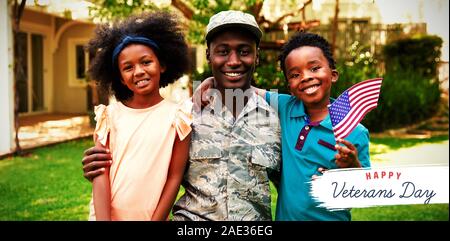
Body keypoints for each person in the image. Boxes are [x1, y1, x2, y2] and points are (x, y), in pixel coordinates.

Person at [81, 10, 281, 221]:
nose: (233, 61)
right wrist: (95, 166)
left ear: (257, 55)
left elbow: (294, 183)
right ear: (208, 55)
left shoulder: (278, 113)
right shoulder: (187, 114)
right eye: (222, 51)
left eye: (244, 51)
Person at [84, 11, 192, 221]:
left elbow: (174, 177)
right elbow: (100, 174)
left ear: (162, 65)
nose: (139, 71)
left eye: (146, 62)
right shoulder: (108, 116)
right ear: (121, 79)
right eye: (128, 67)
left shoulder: (179, 117)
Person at [258, 32, 371, 220]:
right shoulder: (286, 107)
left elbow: (363, 194)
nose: (305, 77)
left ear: (333, 75)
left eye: (314, 68)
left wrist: (353, 166)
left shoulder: (355, 131)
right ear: (289, 86)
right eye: (295, 74)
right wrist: (210, 83)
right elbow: (245, 92)